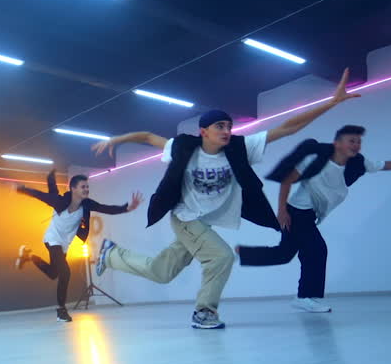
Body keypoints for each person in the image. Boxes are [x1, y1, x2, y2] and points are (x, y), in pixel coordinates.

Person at [90, 68, 362, 329]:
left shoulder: (240, 148)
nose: (226, 130)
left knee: (162, 272)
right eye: (219, 125)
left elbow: (289, 127)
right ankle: (204, 312)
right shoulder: (184, 147)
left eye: (229, 126)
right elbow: (149, 136)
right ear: (204, 131)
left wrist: (332, 102)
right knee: (221, 257)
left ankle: (112, 255)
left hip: (203, 223)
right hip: (185, 218)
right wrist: (117, 139)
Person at [235, 125, 391, 312]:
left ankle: (241, 253)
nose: (356, 145)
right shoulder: (316, 161)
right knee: (317, 249)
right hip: (297, 212)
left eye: (358, 141)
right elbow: (287, 180)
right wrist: (282, 211)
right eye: (351, 141)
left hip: (310, 214)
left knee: (285, 254)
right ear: (337, 143)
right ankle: (306, 297)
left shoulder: (360, 163)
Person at [14, 170, 142, 322]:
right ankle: (61, 311)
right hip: (52, 238)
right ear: (73, 189)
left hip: (64, 243)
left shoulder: (87, 205)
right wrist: (21, 189)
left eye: (87, 187)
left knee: (53, 273)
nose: (87, 189)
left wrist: (126, 207)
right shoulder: (60, 202)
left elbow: (105, 208)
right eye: (83, 187)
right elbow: (39, 195)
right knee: (65, 272)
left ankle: (29, 256)